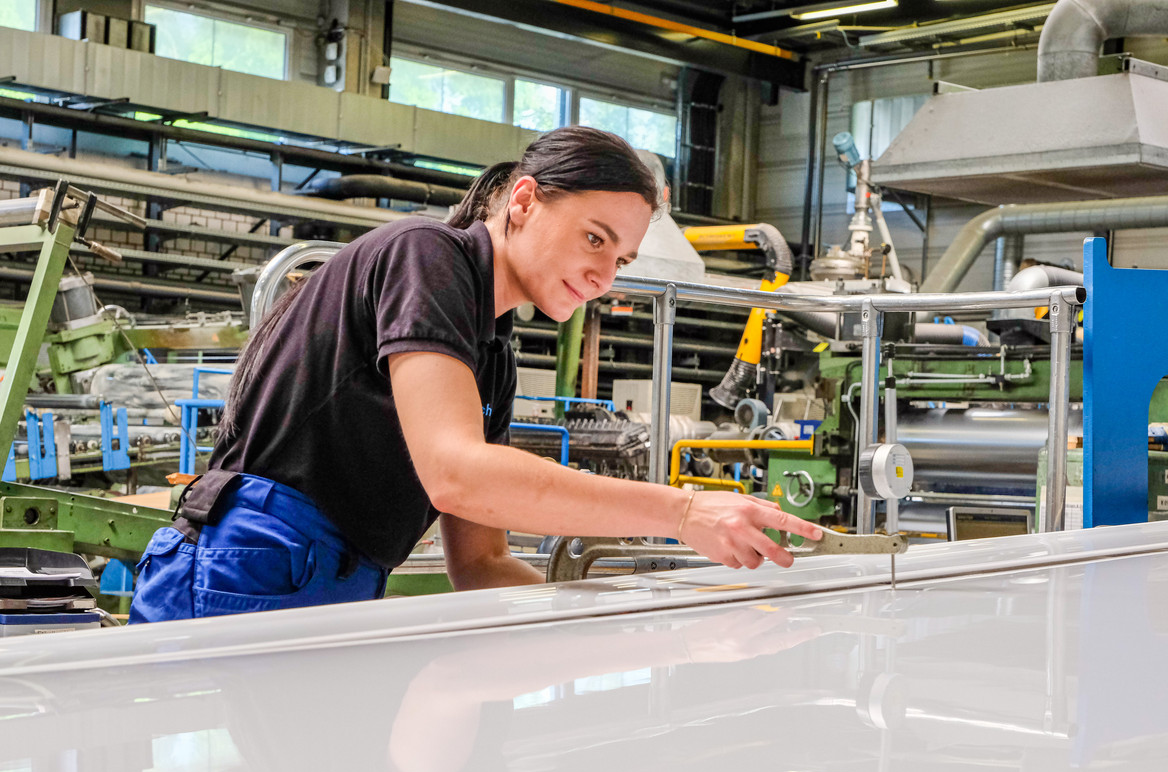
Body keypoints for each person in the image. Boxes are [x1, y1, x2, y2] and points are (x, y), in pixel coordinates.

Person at [129, 126, 821, 623]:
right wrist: (684, 512)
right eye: (594, 238)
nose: (604, 275)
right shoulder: (426, 256)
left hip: (332, 575)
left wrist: (640, 629)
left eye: (623, 260)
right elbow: (456, 473)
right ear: (523, 202)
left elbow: (481, 563)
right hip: (249, 565)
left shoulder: (491, 354)